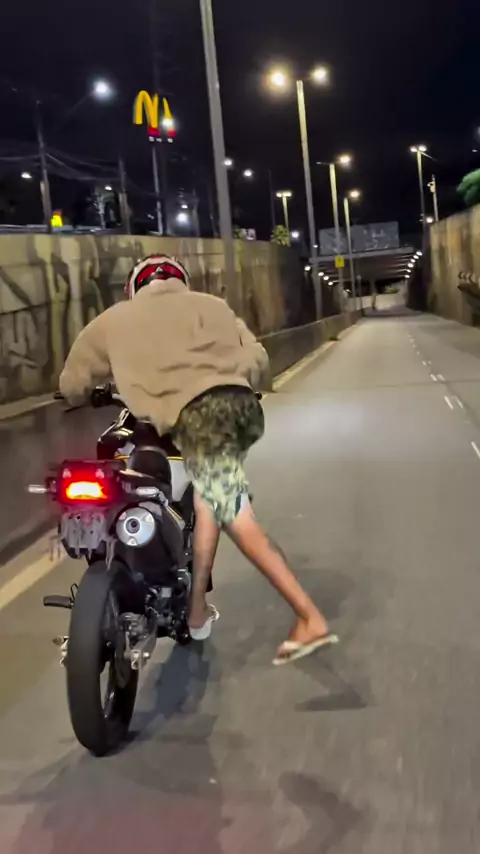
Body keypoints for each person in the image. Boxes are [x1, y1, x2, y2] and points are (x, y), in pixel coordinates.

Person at [59, 254, 338, 665]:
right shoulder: (214, 307)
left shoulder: (115, 318)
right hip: (234, 409)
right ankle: (195, 609)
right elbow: (257, 358)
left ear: (135, 287)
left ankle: (307, 617)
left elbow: (73, 384)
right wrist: (229, 375)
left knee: (238, 520)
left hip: (198, 420)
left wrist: (84, 392)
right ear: (181, 282)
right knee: (211, 500)